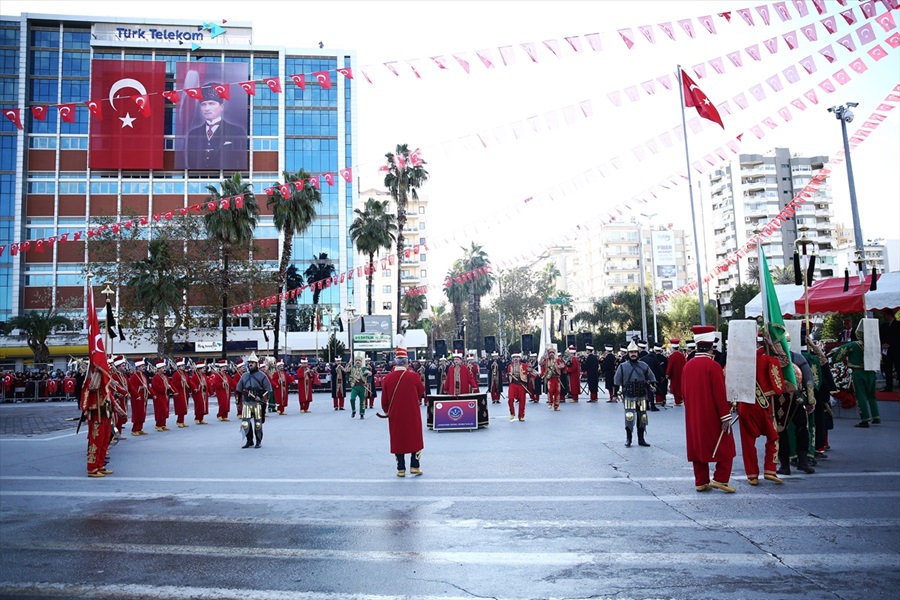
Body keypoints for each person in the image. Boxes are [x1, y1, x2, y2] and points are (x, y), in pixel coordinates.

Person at [682, 325, 736, 493]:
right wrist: (725, 416)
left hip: (693, 415)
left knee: (697, 447)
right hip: (712, 415)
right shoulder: (713, 367)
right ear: (712, 346)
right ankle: (720, 478)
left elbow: (684, 393)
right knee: (727, 447)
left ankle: (701, 481)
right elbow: (720, 394)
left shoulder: (688, 366)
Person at [738, 336, 784, 486]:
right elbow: (783, 367)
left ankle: (752, 476)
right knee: (773, 437)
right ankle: (770, 469)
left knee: (748, 442)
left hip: (745, 404)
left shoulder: (738, 362)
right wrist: (775, 347)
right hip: (764, 405)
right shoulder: (768, 359)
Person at [380, 340, 425, 477]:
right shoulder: (414, 376)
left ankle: (401, 468)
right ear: (407, 362)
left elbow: (384, 400)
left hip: (395, 413)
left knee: (398, 439)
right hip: (412, 412)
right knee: (414, 437)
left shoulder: (387, 378)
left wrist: (387, 411)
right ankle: (415, 466)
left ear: (395, 362)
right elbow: (421, 391)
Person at [183, 85, 248, 170]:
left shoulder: (237, 131)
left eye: (211, 104)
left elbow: (241, 162)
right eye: (203, 104)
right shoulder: (193, 133)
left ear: (221, 107)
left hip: (227, 179)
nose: (207, 108)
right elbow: (191, 162)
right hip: (199, 179)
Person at [831, 322, 880, 428]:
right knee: (872, 395)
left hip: (859, 372)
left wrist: (834, 359)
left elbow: (840, 352)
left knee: (860, 395)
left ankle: (865, 419)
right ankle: (876, 416)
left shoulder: (854, 344)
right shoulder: (873, 344)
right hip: (871, 372)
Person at [613, 340, 656, 447]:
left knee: (643, 418)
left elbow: (651, 377)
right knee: (629, 416)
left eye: (635, 352)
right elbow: (617, 381)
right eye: (631, 352)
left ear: (638, 353)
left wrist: (653, 385)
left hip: (641, 395)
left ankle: (641, 439)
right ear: (628, 353)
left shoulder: (644, 365)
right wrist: (615, 394)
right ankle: (629, 438)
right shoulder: (622, 366)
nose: (633, 354)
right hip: (629, 395)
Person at [78, 358, 113, 478]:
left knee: (104, 442)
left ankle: (100, 465)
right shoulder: (93, 380)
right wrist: (99, 371)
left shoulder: (105, 382)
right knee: (96, 442)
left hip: (106, 414)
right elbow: (93, 387)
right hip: (96, 415)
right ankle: (92, 468)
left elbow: (110, 398)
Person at [236, 353, 273, 449]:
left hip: (258, 403)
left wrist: (260, 396)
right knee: (245, 423)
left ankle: (258, 441)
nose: (250, 364)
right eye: (249, 362)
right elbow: (238, 390)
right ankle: (249, 441)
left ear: (256, 364)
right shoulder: (244, 376)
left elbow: (268, 389)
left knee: (257, 423)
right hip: (247, 402)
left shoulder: (262, 375)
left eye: (252, 362)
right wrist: (238, 402)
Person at [127, 358, 151, 436]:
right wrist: (140, 387)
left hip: (144, 397)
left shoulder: (143, 376)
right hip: (137, 397)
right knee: (137, 413)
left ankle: (140, 428)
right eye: (142, 366)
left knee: (142, 413)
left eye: (143, 366)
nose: (143, 367)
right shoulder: (134, 376)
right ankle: (134, 429)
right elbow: (132, 387)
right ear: (138, 367)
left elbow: (147, 386)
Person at [640, 343, 667, 410]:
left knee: (645, 391)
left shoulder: (643, 359)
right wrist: (663, 375)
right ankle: (652, 405)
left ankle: (646, 405)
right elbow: (659, 368)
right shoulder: (654, 359)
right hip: (651, 376)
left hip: (643, 376)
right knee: (651, 390)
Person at [150, 359, 173, 432]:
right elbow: (157, 387)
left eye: (164, 368)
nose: (164, 369)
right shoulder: (155, 378)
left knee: (165, 410)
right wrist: (166, 387)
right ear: (159, 369)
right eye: (163, 368)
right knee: (160, 410)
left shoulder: (165, 377)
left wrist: (172, 390)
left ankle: (163, 424)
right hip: (159, 396)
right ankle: (158, 425)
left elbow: (170, 384)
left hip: (165, 395)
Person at [880, 309, 900, 392]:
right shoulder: (883, 325)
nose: (883, 317)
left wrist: (891, 344)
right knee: (887, 368)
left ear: (889, 315)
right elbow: (880, 336)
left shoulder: (898, 324)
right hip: (886, 350)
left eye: (885, 315)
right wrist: (883, 344)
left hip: (896, 349)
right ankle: (888, 386)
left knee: (898, 367)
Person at [506, 352, 529, 421]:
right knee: (510, 399)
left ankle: (521, 415)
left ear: (520, 358)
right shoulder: (509, 366)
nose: (516, 359)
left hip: (521, 384)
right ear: (512, 359)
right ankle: (512, 413)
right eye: (514, 357)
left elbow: (531, 372)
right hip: (513, 384)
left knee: (522, 401)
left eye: (517, 357)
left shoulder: (525, 365)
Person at [348, 353, 371, 419]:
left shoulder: (363, 368)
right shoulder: (353, 368)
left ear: (361, 362)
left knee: (362, 401)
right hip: (355, 386)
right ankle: (353, 410)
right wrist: (349, 363)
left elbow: (370, 373)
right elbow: (345, 370)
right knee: (352, 399)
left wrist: (367, 373)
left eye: (359, 361)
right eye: (356, 360)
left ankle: (362, 413)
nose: (358, 362)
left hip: (362, 386)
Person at [540, 346, 564, 411]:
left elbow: (563, 365)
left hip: (557, 378)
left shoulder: (558, 360)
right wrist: (543, 355)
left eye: (553, 353)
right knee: (550, 391)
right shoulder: (546, 360)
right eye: (550, 353)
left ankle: (556, 405)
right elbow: (540, 363)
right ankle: (550, 403)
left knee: (557, 392)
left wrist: (560, 367)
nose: (551, 354)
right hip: (550, 378)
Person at [170, 358, 191, 428]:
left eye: (183, 366)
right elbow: (174, 384)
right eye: (181, 366)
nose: (183, 367)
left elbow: (188, 382)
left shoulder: (185, 374)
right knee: (181, 407)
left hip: (185, 392)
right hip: (179, 392)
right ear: (178, 367)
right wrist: (181, 382)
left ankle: (182, 421)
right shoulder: (176, 374)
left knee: (185, 407)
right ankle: (179, 421)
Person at [666, 339, 686, 406]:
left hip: (674, 375)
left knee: (675, 387)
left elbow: (670, 366)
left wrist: (667, 374)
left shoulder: (672, 356)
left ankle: (677, 401)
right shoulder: (682, 356)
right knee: (680, 386)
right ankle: (680, 399)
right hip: (682, 374)